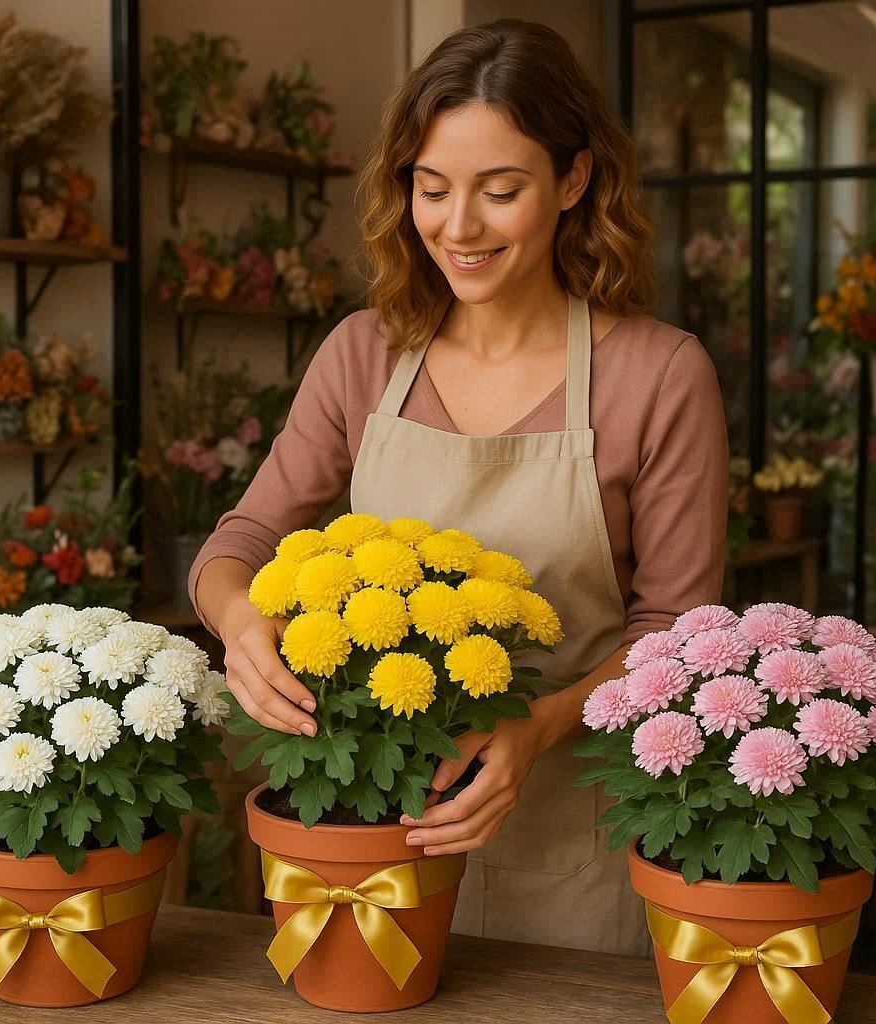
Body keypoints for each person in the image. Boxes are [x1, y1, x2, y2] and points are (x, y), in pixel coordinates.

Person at [189, 19, 728, 956]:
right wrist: (243, 630)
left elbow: (675, 640)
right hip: (374, 844)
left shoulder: (661, 375)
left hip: (581, 846)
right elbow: (236, 545)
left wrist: (538, 724)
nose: (457, 226)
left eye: (500, 190)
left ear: (574, 180)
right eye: (431, 189)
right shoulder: (365, 356)